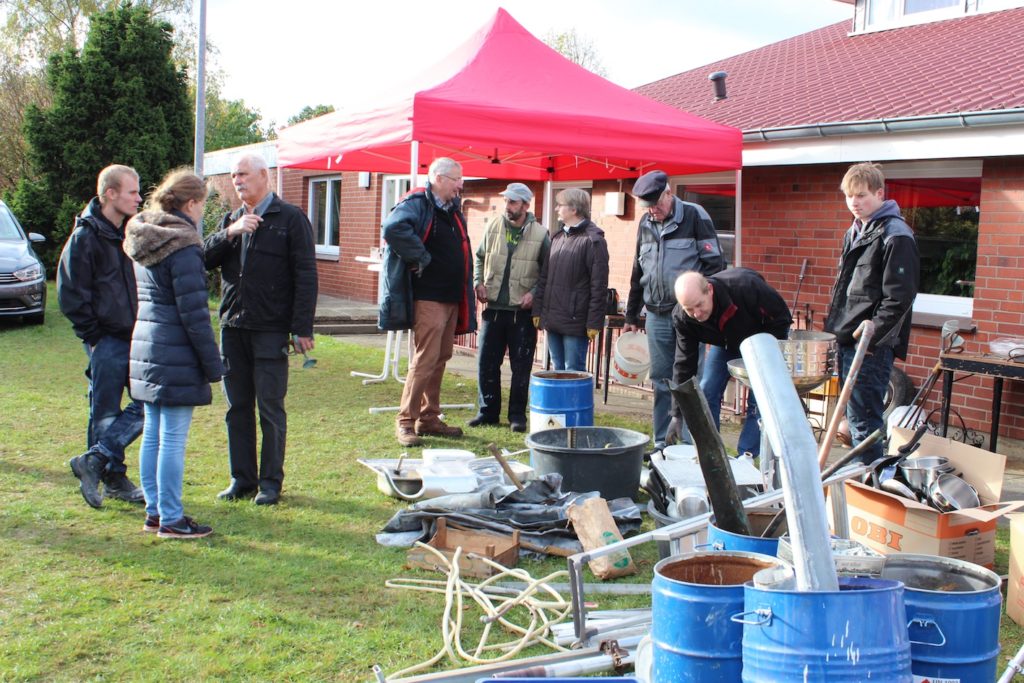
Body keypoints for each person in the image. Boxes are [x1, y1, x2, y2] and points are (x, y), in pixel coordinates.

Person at [204, 154, 318, 505]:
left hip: (270, 328)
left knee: (270, 407)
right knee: (236, 407)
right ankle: (242, 480)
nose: (237, 180)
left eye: (243, 174)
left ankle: (270, 483)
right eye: (234, 175)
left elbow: (306, 275)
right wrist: (229, 233)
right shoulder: (232, 219)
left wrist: (301, 327)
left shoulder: (291, 219)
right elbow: (202, 258)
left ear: (264, 177)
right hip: (233, 327)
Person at [124, 169, 225, 538]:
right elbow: (195, 314)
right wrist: (214, 365)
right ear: (192, 203)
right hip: (175, 349)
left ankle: (156, 512)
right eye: (203, 204)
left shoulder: (145, 234)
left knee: (154, 432)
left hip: (147, 344)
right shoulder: (182, 244)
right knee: (171, 438)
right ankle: (170, 517)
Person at [59, 164, 146, 508]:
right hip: (106, 339)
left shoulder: (131, 233)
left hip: (136, 337)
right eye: (132, 192)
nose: (139, 198)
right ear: (110, 194)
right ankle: (113, 479)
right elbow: (69, 294)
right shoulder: (85, 237)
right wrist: (94, 336)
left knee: (148, 402)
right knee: (105, 411)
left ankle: (94, 463)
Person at [824, 162, 919, 463]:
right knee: (853, 421)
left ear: (880, 194)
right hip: (847, 339)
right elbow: (847, 292)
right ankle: (859, 484)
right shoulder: (855, 232)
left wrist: (871, 335)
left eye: (862, 195)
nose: (854, 202)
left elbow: (900, 297)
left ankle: (869, 486)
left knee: (865, 422)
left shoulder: (896, 235)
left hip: (870, 345)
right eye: (849, 196)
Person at [624, 170, 725, 450]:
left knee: (690, 382)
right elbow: (637, 270)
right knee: (661, 380)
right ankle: (662, 443)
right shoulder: (645, 223)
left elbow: (715, 268)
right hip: (655, 314)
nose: (652, 211)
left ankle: (692, 446)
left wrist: (706, 313)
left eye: (656, 204)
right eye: (647, 207)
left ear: (669, 193)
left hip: (687, 314)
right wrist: (632, 314)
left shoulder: (695, 216)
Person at [379, 157, 476, 447]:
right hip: (429, 297)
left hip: (450, 297)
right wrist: (420, 257)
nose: (460, 184)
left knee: (441, 357)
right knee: (424, 360)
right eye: (456, 178)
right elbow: (393, 228)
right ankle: (405, 421)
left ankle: (429, 418)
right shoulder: (416, 202)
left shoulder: (451, 210)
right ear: (437, 177)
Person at [671, 270, 792, 455]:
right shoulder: (683, 317)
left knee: (759, 398)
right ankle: (711, 452)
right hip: (726, 344)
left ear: (709, 290)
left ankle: (747, 455)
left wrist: (766, 353)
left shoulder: (746, 288)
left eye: (699, 305)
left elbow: (782, 318)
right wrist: (677, 414)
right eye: (689, 309)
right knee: (707, 390)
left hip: (759, 340)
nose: (696, 313)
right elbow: (684, 365)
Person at [469, 182, 550, 433]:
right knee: (486, 363)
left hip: (521, 313)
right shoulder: (493, 225)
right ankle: (487, 412)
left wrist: (534, 294)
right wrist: (478, 282)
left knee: (521, 366)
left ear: (526, 205)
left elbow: (547, 272)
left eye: (513, 202)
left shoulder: (541, 233)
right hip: (493, 308)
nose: (508, 206)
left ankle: (517, 416)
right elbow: (480, 257)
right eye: (506, 201)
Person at [532, 188, 609, 371]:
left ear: (574, 209)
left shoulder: (593, 240)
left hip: (576, 321)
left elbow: (599, 286)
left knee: (573, 370)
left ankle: (575, 402)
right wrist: (538, 310)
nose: (557, 208)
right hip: (553, 319)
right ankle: (560, 402)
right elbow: (544, 278)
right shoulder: (557, 237)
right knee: (557, 368)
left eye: (561, 205)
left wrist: (593, 323)